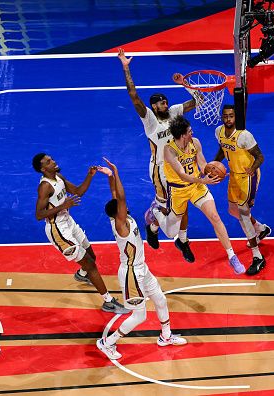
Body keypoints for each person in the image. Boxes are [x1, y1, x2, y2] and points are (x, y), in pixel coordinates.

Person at [96, 158, 187, 360]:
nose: (124, 206)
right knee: (140, 315)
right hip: (131, 274)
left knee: (161, 300)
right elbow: (120, 197)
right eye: (120, 207)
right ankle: (107, 343)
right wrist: (117, 173)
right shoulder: (121, 224)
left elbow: (115, 196)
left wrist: (110, 177)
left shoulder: (120, 217)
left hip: (141, 269)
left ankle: (166, 336)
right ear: (118, 212)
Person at [117, 48, 197, 263]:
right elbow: (133, 96)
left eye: (165, 102)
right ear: (153, 106)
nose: (165, 104)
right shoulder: (150, 119)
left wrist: (185, 84)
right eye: (161, 103)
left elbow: (197, 101)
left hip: (179, 166)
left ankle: (183, 240)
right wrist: (126, 68)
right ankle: (152, 225)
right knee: (165, 207)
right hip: (160, 169)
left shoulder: (175, 112)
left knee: (183, 204)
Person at [148, 115, 246, 275]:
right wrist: (203, 181)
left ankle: (232, 256)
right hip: (178, 190)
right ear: (181, 135)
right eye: (188, 131)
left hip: (196, 187)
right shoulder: (169, 150)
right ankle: (157, 214)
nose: (192, 131)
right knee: (171, 233)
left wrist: (214, 172)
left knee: (215, 217)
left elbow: (202, 165)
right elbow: (182, 175)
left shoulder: (195, 142)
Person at [32, 153, 129, 314]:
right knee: (90, 264)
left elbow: (78, 191)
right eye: (49, 162)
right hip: (58, 230)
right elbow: (39, 214)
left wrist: (89, 176)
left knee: (92, 256)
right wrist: (63, 205)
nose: (54, 161)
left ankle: (82, 274)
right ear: (43, 169)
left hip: (68, 222)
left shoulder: (58, 177)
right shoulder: (45, 187)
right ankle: (108, 302)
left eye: (52, 159)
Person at [214, 105, 271, 276]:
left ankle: (257, 256)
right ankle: (261, 229)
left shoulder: (245, 136)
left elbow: (260, 156)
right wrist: (213, 164)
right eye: (225, 116)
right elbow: (223, 150)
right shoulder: (219, 132)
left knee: (243, 213)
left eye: (231, 116)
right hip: (233, 176)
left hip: (248, 176)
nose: (228, 119)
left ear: (236, 117)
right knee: (233, 211)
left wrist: (252, 169)